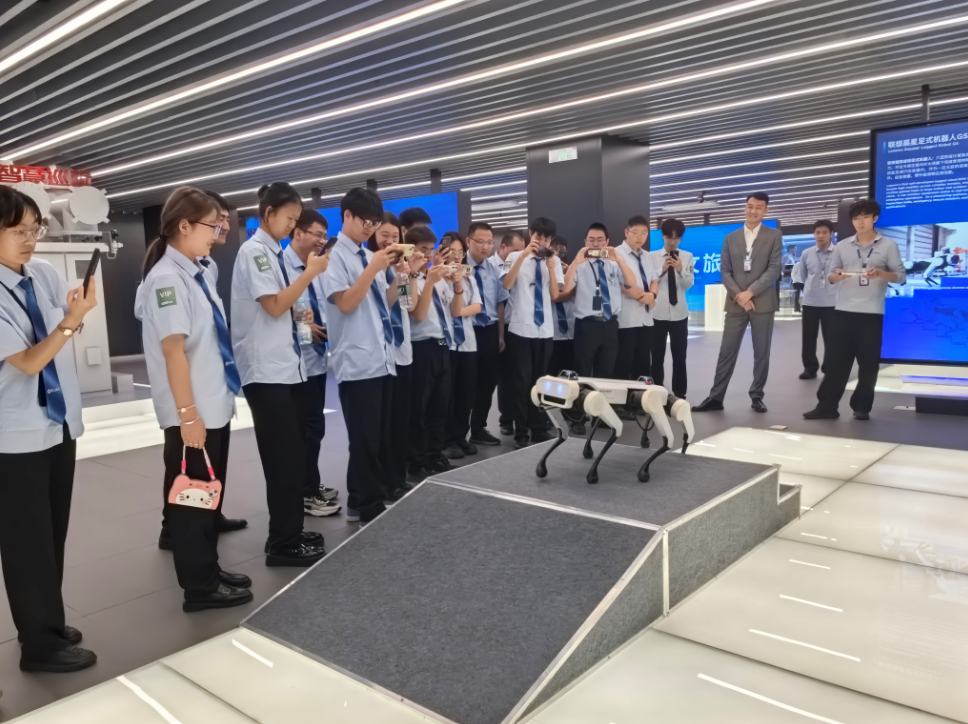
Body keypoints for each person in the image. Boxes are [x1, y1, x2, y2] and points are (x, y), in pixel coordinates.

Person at [136, 187, 254, 613]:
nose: (218, 234)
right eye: (212, 225)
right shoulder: (167, 280)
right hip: (193, 409)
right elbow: (173, 352)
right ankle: (199, 587)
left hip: (210, 402)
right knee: (192, 500)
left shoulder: (197, 271)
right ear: (184, 225)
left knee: (207, 496)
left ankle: (210, 568)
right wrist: (188, 416)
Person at [0, 187, 98, 672]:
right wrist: (72, 322)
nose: (30, 239)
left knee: (52, 532)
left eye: (34, 229)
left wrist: (74, 315)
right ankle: (39, 647)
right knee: (27, 543)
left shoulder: (41, 273)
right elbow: (28, 361)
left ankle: (47, 623)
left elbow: (62, 333)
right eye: (17, 231)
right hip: (14, 435)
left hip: (57, 423)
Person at [231, 182, 327, 565]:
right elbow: (272, 306)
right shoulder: (254, 252)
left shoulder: (273, 253)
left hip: (285, 367)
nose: (292, 225)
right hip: (265, 370)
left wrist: (304, 318)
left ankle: (291, 531)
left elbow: (288, 306)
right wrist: (310, 274)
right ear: (268, 213)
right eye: (290, 218)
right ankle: (282, 543)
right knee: (282, 458)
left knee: (292, 454)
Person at [323, 187, 400, 524]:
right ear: (347, 216)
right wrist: (373, 268)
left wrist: (404, 274)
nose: (370, 228)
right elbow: (345, 303)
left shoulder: (368, 257)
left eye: (375, 223)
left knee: (377, 436)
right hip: (356, 361)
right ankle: (369, 505)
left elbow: (388, 302)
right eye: (365, 222)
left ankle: (360, 499)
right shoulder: (334, 256)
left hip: (380, 357)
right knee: (364, 437)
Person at [804, 199, 905, 421]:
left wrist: (881, 273)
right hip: (843, 312)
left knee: (868, 364)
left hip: (872, 313)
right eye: (856, 218)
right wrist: (837, 276)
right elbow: (831, 276)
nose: (860, 222)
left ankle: (862, 406)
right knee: (835, 363)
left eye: (865, 217)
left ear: (875, 218)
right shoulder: (842, 246)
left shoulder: (888, 245)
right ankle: (827, 406)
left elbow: (900, 276)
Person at [693, 192, 782, 414]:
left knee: (761, 352)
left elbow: (774, 269)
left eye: (758, 207)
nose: (753, 211)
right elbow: (724, 270)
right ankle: (715, 398)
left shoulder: (774, 236)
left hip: (762, 303)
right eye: (750, 206)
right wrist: (740, 296)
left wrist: (750, 293)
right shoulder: (730, 238)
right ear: (745, 207)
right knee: (727, 351)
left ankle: (757, 396)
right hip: (735, 303)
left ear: (766, 210)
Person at [283, 209, 341, 517]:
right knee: (305, 430)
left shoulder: (314, 266)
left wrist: (321, 329)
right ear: (298, 233)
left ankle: (310, 483)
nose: (321, 240)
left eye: (324, 235)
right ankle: (304, 493)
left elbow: (309, 308)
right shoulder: (284, 266)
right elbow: (285, 307)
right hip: (297, 364)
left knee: (314, 428)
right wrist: (308, 331)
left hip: (316, 360)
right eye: (317, 234)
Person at [367, 212, 420, 499]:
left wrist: (407, 274)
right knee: (383, 425)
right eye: (384, 235)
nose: (390, 241)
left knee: (401, 420)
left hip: (403, 351)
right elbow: (382, 307)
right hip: (382, 354)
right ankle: (383, 481)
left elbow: (407, 304)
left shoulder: (398, 267)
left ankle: (398, 477)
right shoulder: (371, 266)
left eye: (395, 236)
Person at [501, 217, 565, 449]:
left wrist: (552, 268)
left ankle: (538, 428)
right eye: (538, 237)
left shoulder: (554, 261)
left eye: (547, 238)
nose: (542, 241)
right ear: (530, 234)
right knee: (520, 382)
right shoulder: (513, 257)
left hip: (544, 329)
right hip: (520, 328)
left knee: (541, 382)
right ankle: (521, 433)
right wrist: (522, 256)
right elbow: (506, 285)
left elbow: (555, 295)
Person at [407, 226, 456, 476]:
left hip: (443, 346)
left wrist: (451, 282)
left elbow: (450, 310)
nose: (427, 255)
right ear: (410, 250)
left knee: (439, 408)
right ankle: (416, 462)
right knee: (419, 409)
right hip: (421, 348)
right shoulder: (407, 279)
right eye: (422, 249)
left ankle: (435, 455)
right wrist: (429, 281)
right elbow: (417, 314)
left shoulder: (435, 277)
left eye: (430, 249)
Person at [564, 223, 636, 378]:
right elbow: (566, 288)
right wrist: (575, 262)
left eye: (600, 240)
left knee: (606, 373)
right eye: (591, 240)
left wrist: (619, 260)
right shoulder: (579, 265)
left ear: (607, 242)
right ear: (585, 242)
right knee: (582, 372)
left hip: (610, 324)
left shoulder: (614, 264)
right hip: (586, 326)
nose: (595, 244)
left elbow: (631, 282)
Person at [466, 222, 509, 447]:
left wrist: (500, 335)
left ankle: (478, 428)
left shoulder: (494, 269)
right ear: (468, 241)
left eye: (489, 242)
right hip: (466, 330)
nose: (485, 247)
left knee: (488, 381)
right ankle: (456, 433)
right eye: (480, 242)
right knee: (465, 383)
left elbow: (499, 303)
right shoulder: (458, 265)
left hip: (490, 330)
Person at [442, 232, 483, 459]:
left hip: (467, 342)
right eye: (452, 252)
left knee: (466, 394)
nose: (457, 256)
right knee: (447, 395)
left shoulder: (469, 278)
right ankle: (446, 440)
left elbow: (477, 306)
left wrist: (458, 311)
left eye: (460, 252)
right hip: (447, 344)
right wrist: (458, 310)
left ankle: (460, 436)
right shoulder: (438, 278)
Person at [651, 218, 693, 398]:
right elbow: (648, 282)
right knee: (656, 356)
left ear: (681, 238)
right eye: (669, 237)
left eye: (676, 238)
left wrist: (681, 269)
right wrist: (662, 269)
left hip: (679, 314)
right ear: (663, 236)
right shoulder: (652, 257)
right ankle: (657, 392)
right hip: (657, 314)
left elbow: (688, 284)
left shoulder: (687, 256)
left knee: (680, 356)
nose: (672, 242)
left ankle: (680, 393)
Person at [614, 215, 659, 381]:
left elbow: (654, 280)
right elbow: (620, 283)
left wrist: (652, 295)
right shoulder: (616, 254)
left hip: (646, 319)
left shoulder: (647, 256)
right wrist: (644, 297)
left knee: (644, 365)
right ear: (626, 232)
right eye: (635, 232)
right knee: (623, 364)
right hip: (626, 319)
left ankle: (642, 396)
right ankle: (623, 397)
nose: (640, 237)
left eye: (644, 233)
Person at [797, 220, 838, 380]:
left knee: (832, 338)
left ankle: (830, 367)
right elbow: (803, 275)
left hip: (832, 302)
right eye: (818, 232)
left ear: (831, 234)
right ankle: (810, 368)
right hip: (810, 302)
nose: (821, 235)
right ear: (814, 234)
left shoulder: (839, 252)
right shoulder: (806, 253)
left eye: (824, 232)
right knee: (808, 338)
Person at [495, 230, 526, 436]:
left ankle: (523, 417)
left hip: (519, 325)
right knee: (504, 375)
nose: (518, 254)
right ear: (504, 247)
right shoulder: (492, 265)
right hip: (498, 325)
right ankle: (506, 418)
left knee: (520, 374)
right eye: (515, 250)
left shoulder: (524, 263)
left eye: (521, 251)